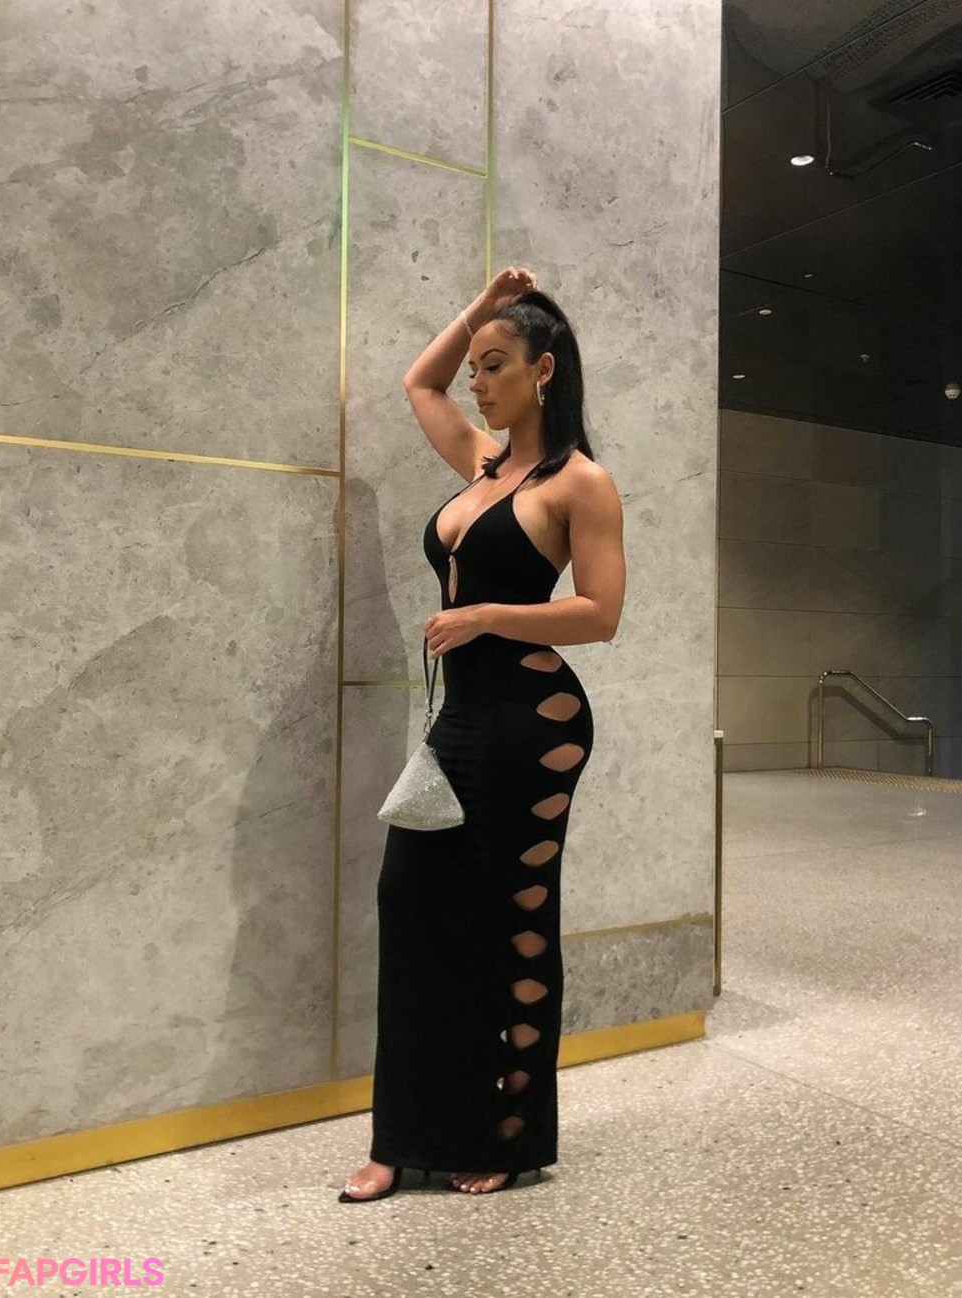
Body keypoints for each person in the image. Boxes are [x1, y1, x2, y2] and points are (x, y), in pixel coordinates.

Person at [339, 267, 626, 1201]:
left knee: (514, 921)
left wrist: (487, 616)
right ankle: (401, 1138)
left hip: (535, 724)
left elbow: (600, 613)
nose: (477, 382)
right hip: (464, 717)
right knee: (413, 906)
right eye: (476, 367)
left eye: (495, 365)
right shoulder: (482, 464)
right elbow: (417, 383)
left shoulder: (580, 483)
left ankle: (505, 1135)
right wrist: (481, 309)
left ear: (545, 370)